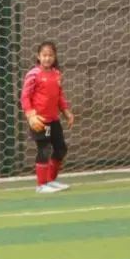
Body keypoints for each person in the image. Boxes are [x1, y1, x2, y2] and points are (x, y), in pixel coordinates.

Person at [21, 41, 75, 194]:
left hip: (54, 120)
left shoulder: (56, 74)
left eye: (50, 55)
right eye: (44, 55)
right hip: (40, 120)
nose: (47, 58)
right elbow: (25, 96)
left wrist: (66, 112)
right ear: (38, 56)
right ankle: (41, 185)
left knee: (61, 149)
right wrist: (30, 115)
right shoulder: (33, 74)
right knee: (44, 149)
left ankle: (51, 180)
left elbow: (59, 96)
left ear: (55, 56)